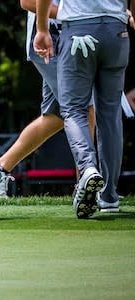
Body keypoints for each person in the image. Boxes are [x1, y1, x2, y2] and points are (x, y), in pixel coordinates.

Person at [0, 0, 95, 199]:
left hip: (69, 38)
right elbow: (26, 2)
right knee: (84, 110)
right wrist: (75, 14)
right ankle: (86, 189)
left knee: (57, 116)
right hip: (48, 40)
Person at [34, 0, 134, 218]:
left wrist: (42, 29)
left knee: (73, 109)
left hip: (78, 31)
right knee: (110, 114)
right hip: (116, 32)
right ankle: (109, 196)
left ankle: (88, 168)